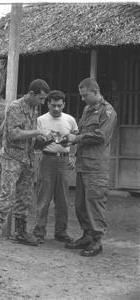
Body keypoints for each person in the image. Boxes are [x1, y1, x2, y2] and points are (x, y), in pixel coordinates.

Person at [0, 79, 53, 248]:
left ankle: (21, 232)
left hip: (27, 158)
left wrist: (41, 139)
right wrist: (38, 131)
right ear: (32, 94)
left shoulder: (34, 108)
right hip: (12, 158)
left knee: (25, 197)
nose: (43, 102)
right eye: (41, 98)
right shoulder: (15, 107)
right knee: (7, 194)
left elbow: (28, 134)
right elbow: (14, 134)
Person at [64, 78, 117, 256]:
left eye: (85, 95)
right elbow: (81, 132)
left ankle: (97, 241)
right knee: (80, 205)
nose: (82, 99)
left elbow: (101, 136)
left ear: (95, 92)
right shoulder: (87, 110)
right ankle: (87, 235)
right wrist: (70, 139)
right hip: (83, 165)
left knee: (94, 204)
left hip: (96, 168)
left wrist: (77, 139)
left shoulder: (108, 111)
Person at [33, 90, 78, 244]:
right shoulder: (40, 120)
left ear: (64, 104)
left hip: (64, 161)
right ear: (48, 104)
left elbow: (76, 138)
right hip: (47, 160)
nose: (56, 108)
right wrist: (45, 139)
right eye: (53, 105)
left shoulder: (70, 120)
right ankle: (39, 232)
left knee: (63, 200)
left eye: (59, 105)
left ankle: (61, 232)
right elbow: (36, 143)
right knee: (43, 199)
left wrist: (73, 156)